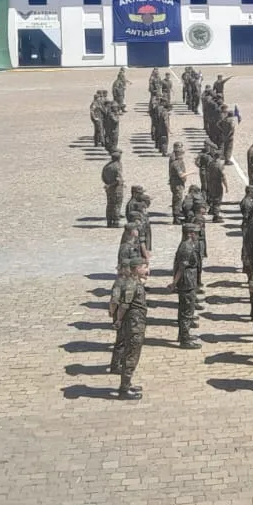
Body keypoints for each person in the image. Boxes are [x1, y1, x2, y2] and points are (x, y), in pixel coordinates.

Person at [108, 256, 147, 399]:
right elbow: (124, 305)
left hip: (136, 323)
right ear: (137, 269)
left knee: (131, 354)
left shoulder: (135, 282)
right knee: (131, 356)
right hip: (134, 325)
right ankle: (124, 389)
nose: (147, 270)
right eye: (144, 267)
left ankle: (127, 383)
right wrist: (118, 319)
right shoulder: (131, 285)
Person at [172, 225, 202, 349]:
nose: (197, 235)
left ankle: (183, 334)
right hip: (187, 281)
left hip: (190, 279)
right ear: (190, 233)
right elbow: (181, 267)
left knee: (186, 310)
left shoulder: (189, 245)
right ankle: (185, 339)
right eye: (195, 233)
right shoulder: (187, 247)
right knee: (186, 312)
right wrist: (174, 283)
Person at [101, 150, 124, 228]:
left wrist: (107, 184)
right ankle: (116, 222)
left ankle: (109, 222)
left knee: (109, 205)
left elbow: (103, 177)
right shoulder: (117, 166)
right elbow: (118, 179)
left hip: (108, 188)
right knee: (117, 205)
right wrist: (112, 184)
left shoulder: (107, 166)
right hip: (116, 189)